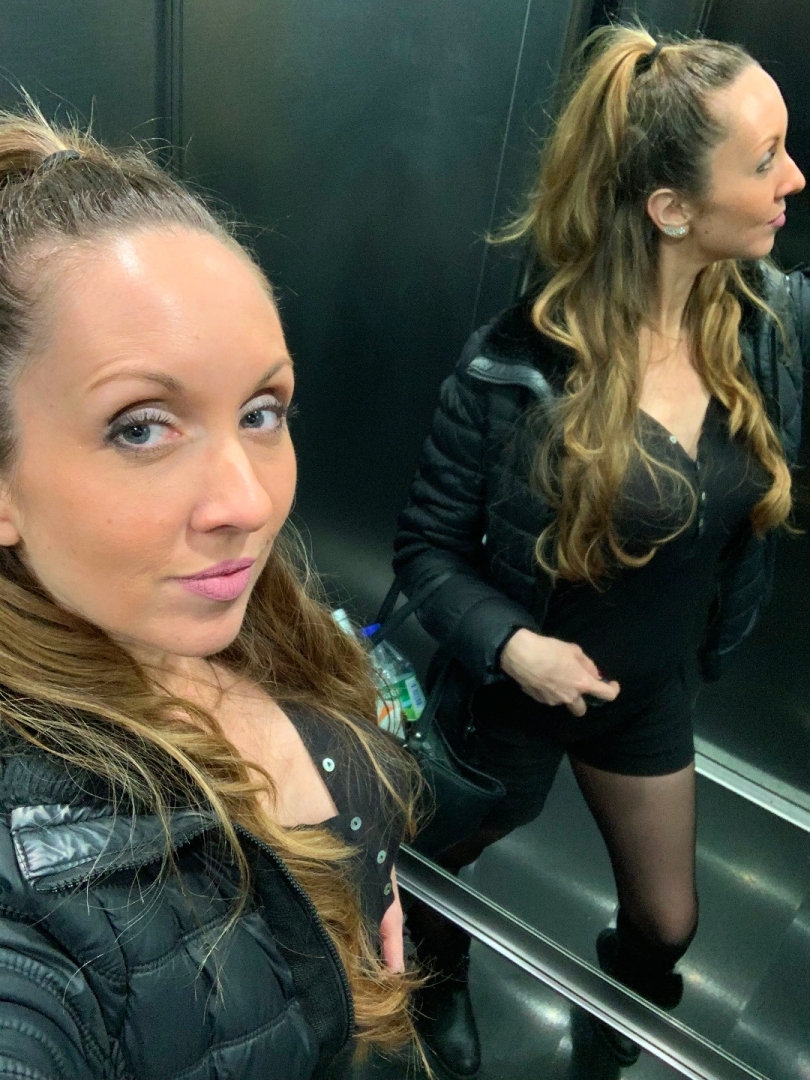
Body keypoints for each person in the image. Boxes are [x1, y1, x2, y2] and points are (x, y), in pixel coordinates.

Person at [394, 24, 810, 1075]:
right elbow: (426, 552)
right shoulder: (512, 369)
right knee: (432, 865)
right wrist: (515, 649)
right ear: (671, 209)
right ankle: (435, 973)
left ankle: (606, 1037)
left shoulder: (769, 327)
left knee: (667, 925)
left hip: (650, 688)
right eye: (765, 159)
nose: (794, 179)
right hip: (513, 695)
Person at [0, 109, 420, 1080]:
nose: (249, 503)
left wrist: (359, 899)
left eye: (262, 411)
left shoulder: (233, 614)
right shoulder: (33, 916)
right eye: (142, 427)